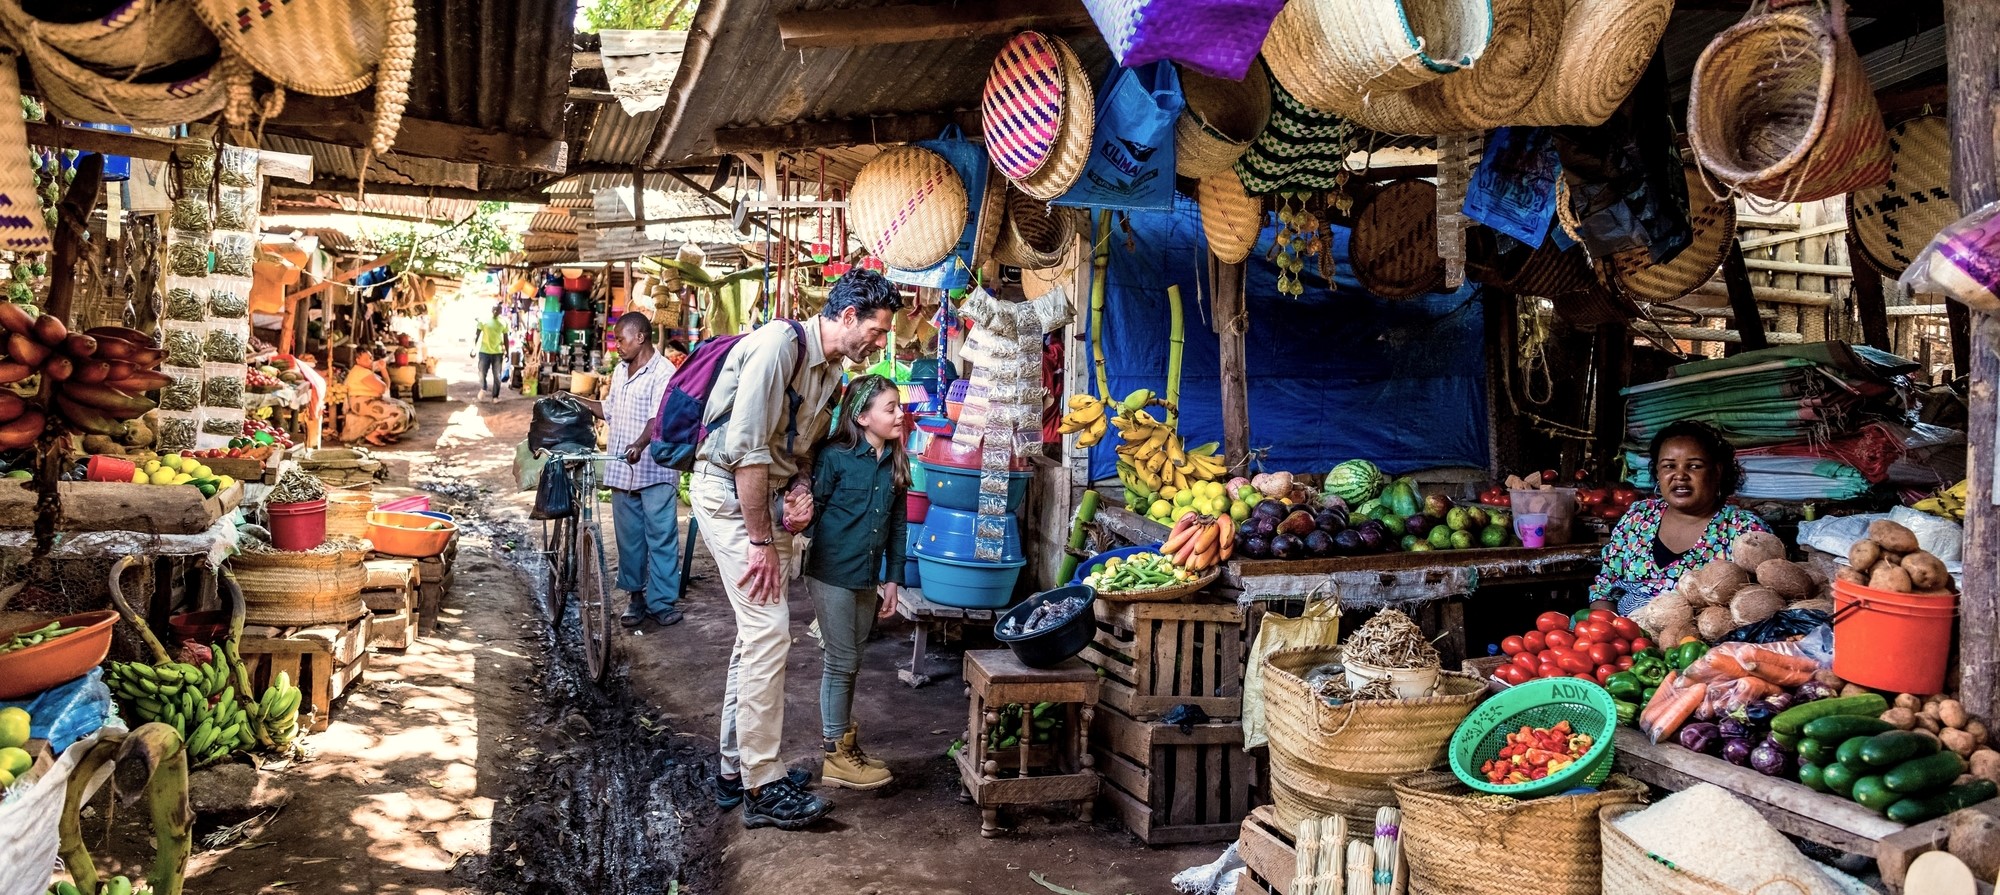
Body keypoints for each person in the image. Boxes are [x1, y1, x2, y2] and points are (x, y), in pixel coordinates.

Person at [694, 268, 900, 831]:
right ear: (848, 317)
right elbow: (747, 452)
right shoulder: (776, 347)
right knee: (767, 631)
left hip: (768, 500)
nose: (880, 344)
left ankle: (734, 772)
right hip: (730, 494)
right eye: (878, 332)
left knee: (754, 637)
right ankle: (763, 786)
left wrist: (803, 486)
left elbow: (802, 449)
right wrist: (761, 539)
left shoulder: (831, 371)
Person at [802, 374, 908, 791]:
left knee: (852, 663)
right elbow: (812, 512)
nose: (900, 414)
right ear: (862, 417)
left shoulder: (896, 459)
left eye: (899, 406)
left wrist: (894, 579)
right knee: (841, 662)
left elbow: (898, 526)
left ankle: (845, 743)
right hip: (831, 574)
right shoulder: (835, 457)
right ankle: (835, 755)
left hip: (867, 576)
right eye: (890, 408)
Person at [1588, 419, 1772, 614]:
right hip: (1625, 637)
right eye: (1669, 466)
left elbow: (1760, 603)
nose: (1680, 475)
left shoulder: (1744, 530)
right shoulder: (1638, 516)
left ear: (1717, 471)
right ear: (1657, 471)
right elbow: (1605, 588)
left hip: (1701, 642)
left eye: (1694, 466)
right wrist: (1607, 632)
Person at [573, 313, 684, 628]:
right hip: (623, 471)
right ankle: (635, 598)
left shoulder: (663, 372)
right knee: (630, 540)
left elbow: (657, 419)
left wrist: (639, 444)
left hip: (655, 471)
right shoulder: (621, 371)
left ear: (641, 337)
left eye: (621, 339)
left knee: (661, 537)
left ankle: (662, 603)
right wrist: (575, 399)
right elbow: (607, 410)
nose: (616, 345)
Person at [341, 348, 416, 446]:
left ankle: (387, 433)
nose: (370, 361)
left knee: (406, 407)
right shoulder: (361, 372)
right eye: (366, 359)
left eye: (371, 358)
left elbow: (386, 386)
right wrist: (382, 381)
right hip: (362, 403)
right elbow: (383, 389)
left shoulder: (366, 370)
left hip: (371, 400)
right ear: (357, 360)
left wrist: (383, 369)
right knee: (399, 412)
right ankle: (373, 434)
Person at [475, 304, 509, 403]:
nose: (495, 311)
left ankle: (495, 396)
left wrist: (507, 351)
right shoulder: (483, 320)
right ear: (491, 309)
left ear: (500, 311)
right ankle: (483, 387)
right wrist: (473, 348)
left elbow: (506, 338)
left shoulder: (503, 322)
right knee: (481, 373)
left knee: (497, 376)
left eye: (498, 310)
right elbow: (477, 334)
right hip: (484, 351)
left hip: (498, 352)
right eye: (494, 309)